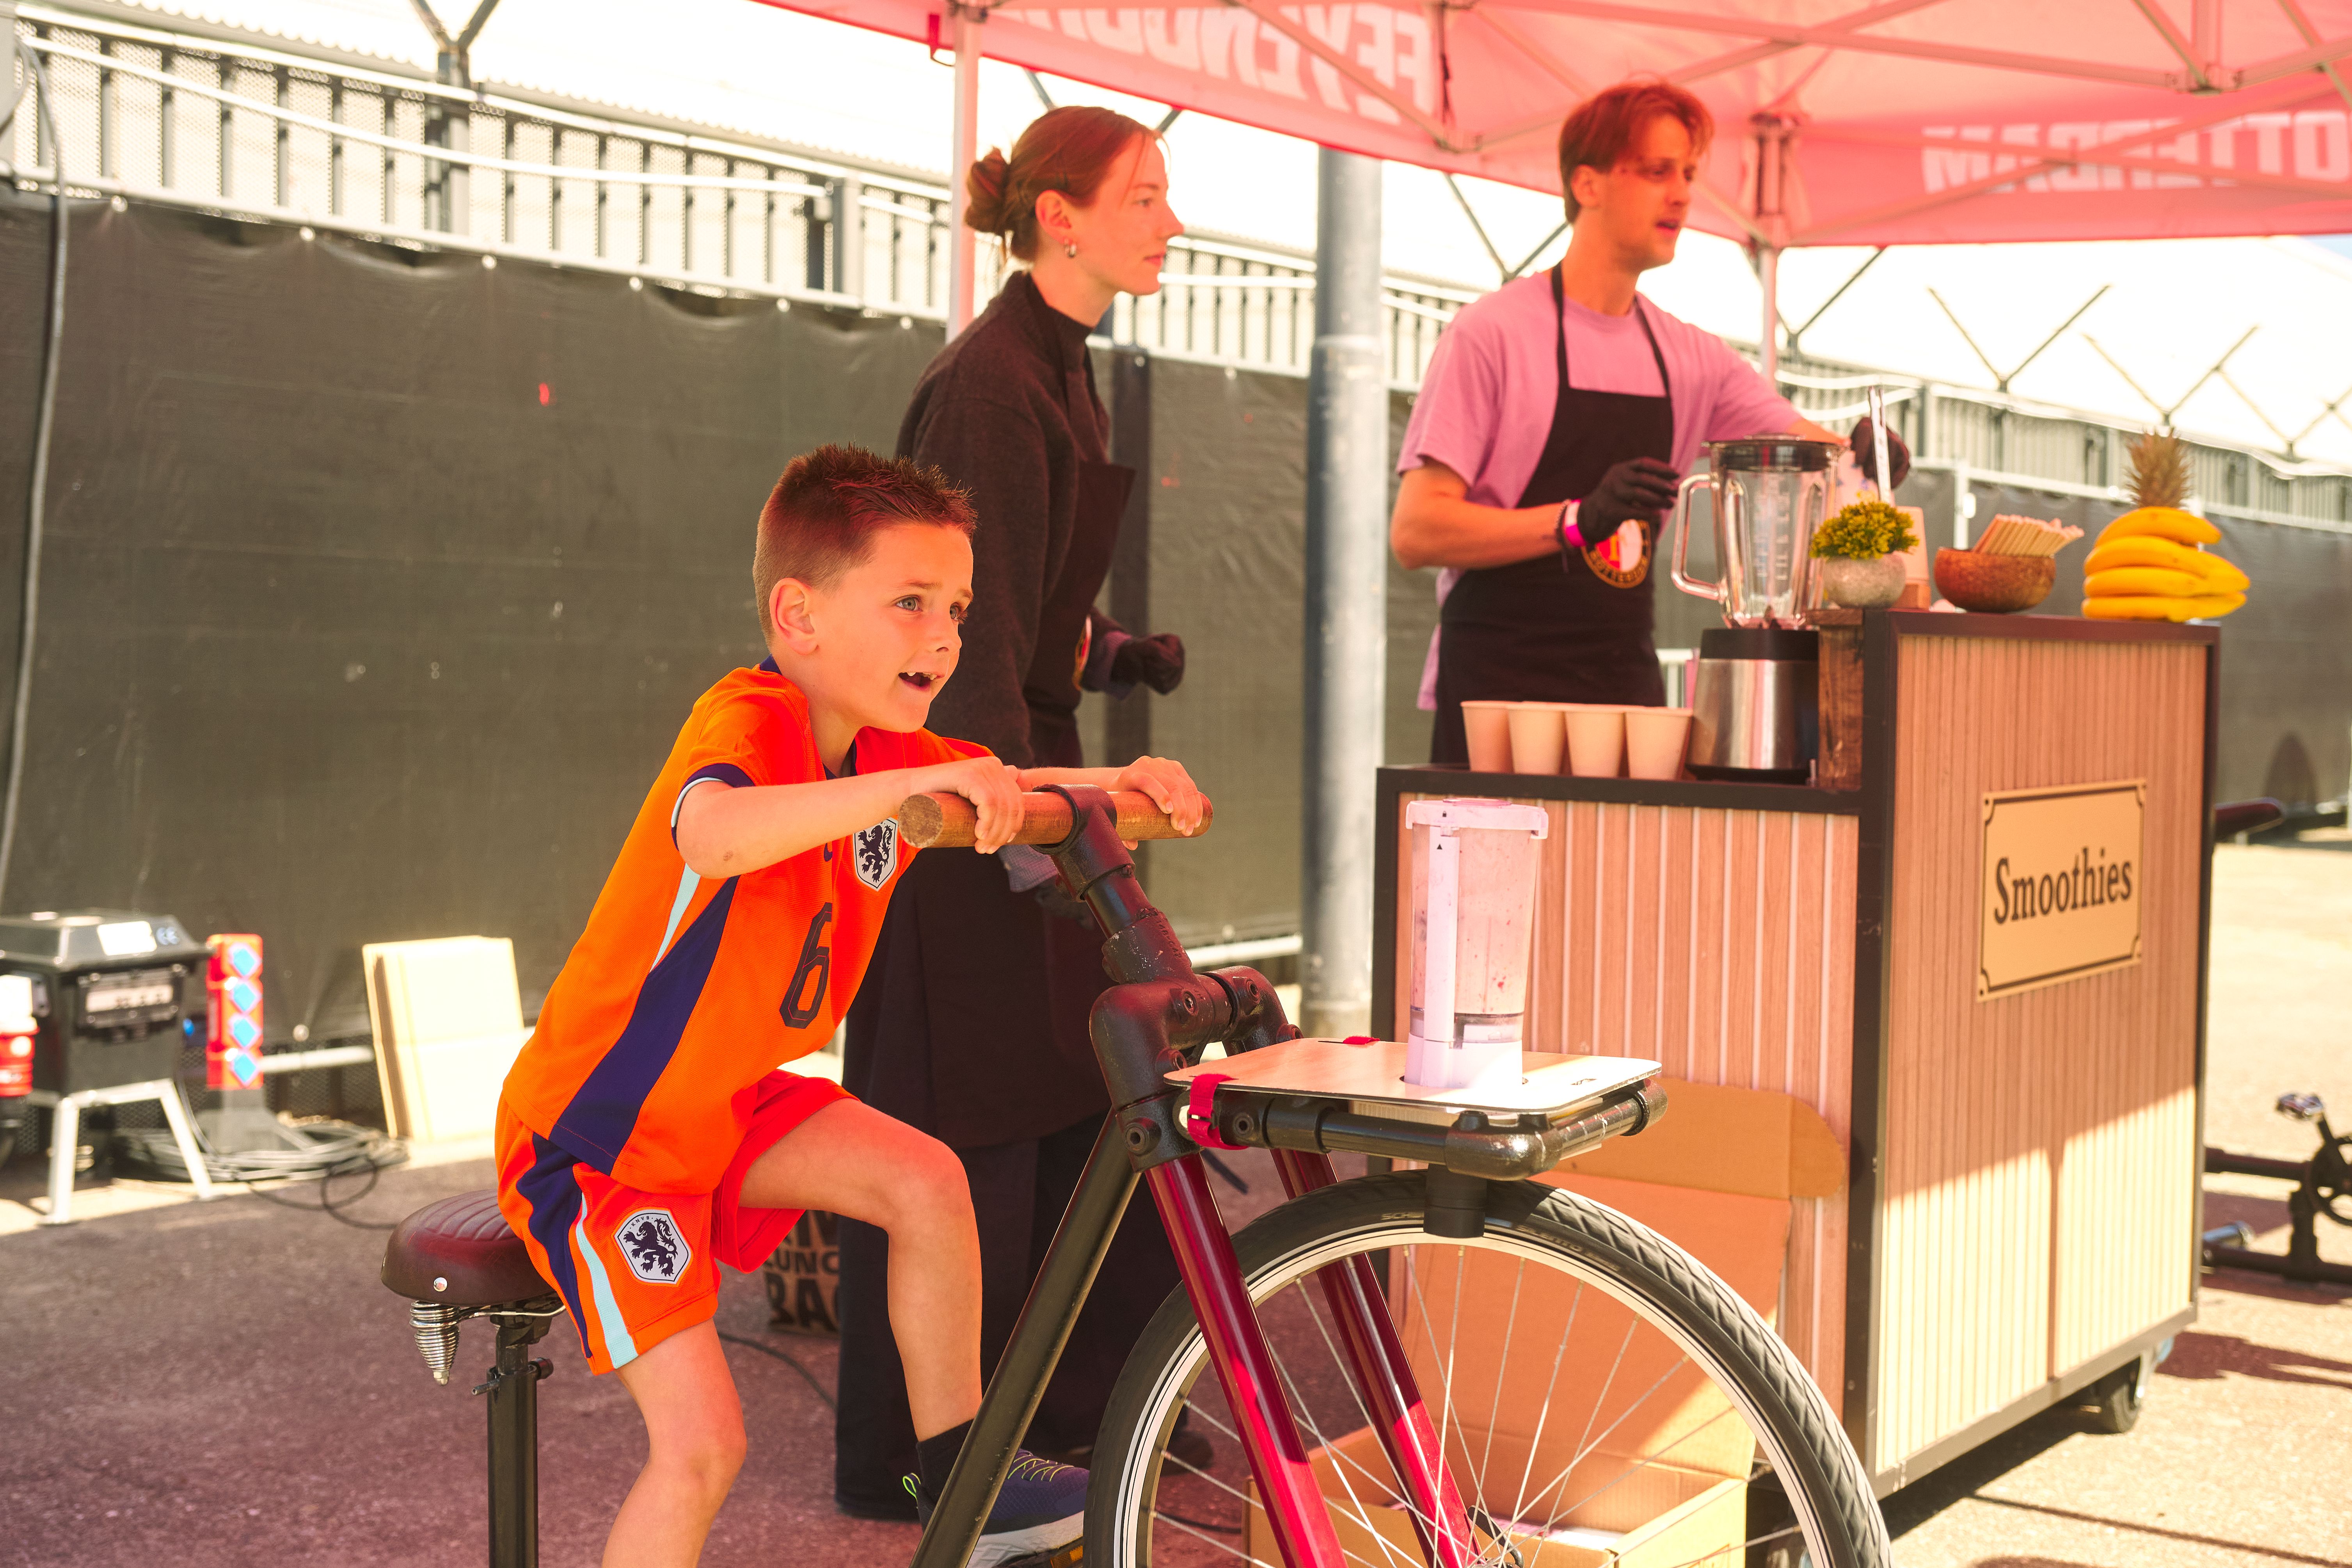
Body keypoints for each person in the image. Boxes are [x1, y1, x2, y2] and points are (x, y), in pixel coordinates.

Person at [492, 444, 1204, 1568]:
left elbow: (1012, 792)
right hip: (596, 1140)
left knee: (926, 1177)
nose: (943, 635)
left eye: (957, 609)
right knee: (702, 1450)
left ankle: (968, 1479)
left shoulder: (895, 750)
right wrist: (909, 785)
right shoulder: (746, 720)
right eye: (910, 602)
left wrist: (1129, 786)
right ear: (799, 614)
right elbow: (713, 832)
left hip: (726, 1105)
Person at [836, 103, 1201, 1515]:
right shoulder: (989, 385)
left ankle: (1073, 1419)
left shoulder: (1062, 372)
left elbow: (1019, 599)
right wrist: (1030, 812)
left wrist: (1110, 654)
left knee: (1070, 1104)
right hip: (961, 806)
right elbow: (943, 641)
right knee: (965, 1131)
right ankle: (923, 1459)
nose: (1171, 220)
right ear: (1062, 217)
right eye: (1148, 194)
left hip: (1023, 781)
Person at [1391, 78, 1910, 763]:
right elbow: (1417, 530)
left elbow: (1816, 453)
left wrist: (1864, 454)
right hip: (1497, 697)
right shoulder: (1491, 334)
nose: (1682, 193)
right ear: (1589, 183)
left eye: (1689, 174)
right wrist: (1578, 519)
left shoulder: (1691, 357)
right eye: (1658, 170)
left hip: (1623, 689)